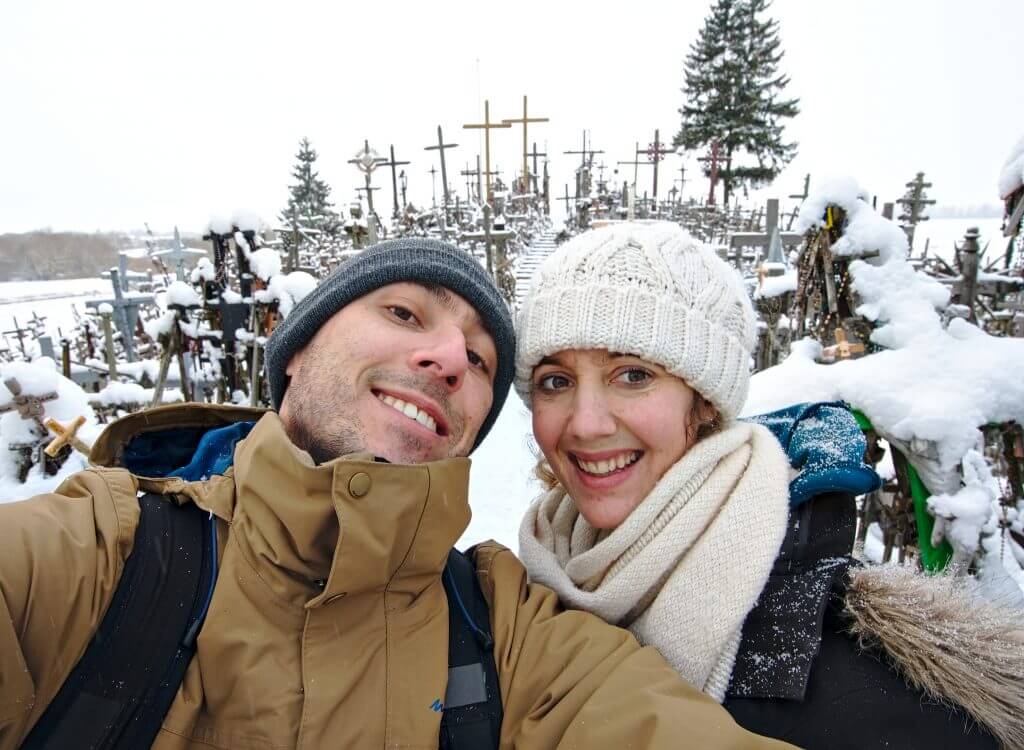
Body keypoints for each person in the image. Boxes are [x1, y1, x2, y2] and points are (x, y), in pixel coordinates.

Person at [0, 237, 793, 750]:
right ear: (298, 352)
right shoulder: (108, 556)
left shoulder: (503, 626)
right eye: (405, 312)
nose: (450, 358)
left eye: (482, 361)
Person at [515, 222, 1023, 750]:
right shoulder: (524, 602)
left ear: (706, 399)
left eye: (633, 375)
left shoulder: (873, 694)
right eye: (556, 381)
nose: (585, 423)